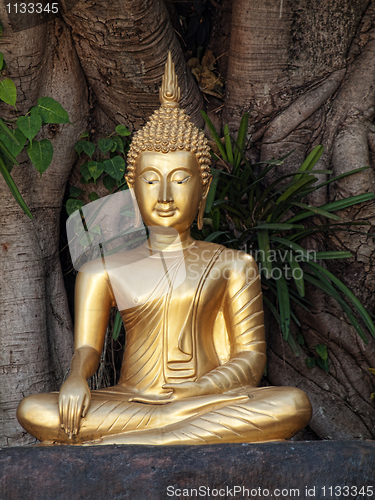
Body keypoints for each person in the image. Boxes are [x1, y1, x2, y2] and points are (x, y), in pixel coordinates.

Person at [17, 53, 312, 445]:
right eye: (152, 180)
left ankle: (149, 437)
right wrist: (75, 379)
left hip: (207, 398)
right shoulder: (101, 270)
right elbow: (88, 346)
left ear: (203, 188)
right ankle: (177, 430)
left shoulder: (233, 265)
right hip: (130, 399)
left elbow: (250, 359)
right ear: (132, 186)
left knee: (292, 403)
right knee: (36, 410)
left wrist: (196, 391)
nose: (166, 195)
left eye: (180, 180)